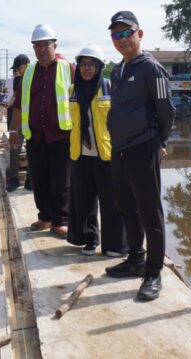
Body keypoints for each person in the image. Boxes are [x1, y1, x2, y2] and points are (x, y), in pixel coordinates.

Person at [105, 11, 175, 301]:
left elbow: (167, 111)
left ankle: (153, 271)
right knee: (125, 207)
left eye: (126, 33)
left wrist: (159, 140)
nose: (121, 39)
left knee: (149, 212)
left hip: (143, 147)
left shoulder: (151, 69)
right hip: (119, 149)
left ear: (139, 34)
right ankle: (135, 258)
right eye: (116, 35)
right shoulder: (118, 71)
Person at [10, 24, 73, 237]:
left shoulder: (68, 69)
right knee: (39, 178)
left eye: (46, 44)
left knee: (62, 180)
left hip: (62, 135)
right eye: (37, 46)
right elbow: (18, 104)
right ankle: (44, 217)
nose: (42, 49)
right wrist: (13, 132)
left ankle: (61, 220)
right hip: (35, 136)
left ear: (54, 45)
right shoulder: (28, 74)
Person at [67, 44, 128, 257]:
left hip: (106, 153)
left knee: (111, 200)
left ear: (99, 67)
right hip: (81, 154)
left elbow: (121, 121)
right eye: (83, 64)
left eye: (91, 64)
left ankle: (114, 245)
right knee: (84, 200)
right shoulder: (72, 91)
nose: (86, 69)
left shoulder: (110, 88)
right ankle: (90, 239)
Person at [6, 55, 30, 192]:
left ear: (26, 64)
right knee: (15, 149)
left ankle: (30, 180)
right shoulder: (17, 81)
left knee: (32, 151)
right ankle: (14, 179)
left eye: (18, 68)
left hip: (33, 120)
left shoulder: (35, 77)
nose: (17, 71)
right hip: (19, 120)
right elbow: (16, 100)